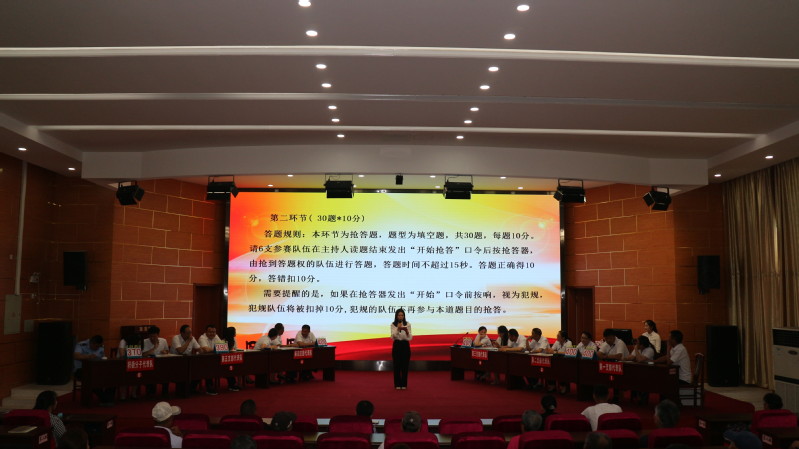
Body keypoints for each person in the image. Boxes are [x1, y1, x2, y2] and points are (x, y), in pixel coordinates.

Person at [73, 335, 115, 406]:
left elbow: (102, 358)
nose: (97, 348)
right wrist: (88, 356)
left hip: (96, 369)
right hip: (81, 370)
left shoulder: (101, 347)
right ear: (91, 343)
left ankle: (108, 399)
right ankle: (106, 400)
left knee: (112, 376)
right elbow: (76, 355)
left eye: (99, 346)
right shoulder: (81, 345)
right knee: (92, 378)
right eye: (96, 346)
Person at [171, 325, 201, 396]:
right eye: (188, 333)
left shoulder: (192, 338)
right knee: (182, 371)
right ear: (182, 333)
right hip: (175, 361)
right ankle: (181, 391)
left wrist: (202, 351)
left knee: (198, 370)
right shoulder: (176, 338)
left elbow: (199, 349)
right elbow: (180, 351)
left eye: (191, 333)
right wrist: (188, 341)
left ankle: (191, 389)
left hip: (187, 361)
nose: (190, 335)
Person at [143, 326, 171, 397]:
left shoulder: (163, 341)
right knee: (150, 375)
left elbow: (167, 351)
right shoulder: (144, 342)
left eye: (154, 336)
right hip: (149, 364)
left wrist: (165, 352)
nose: (152, 338)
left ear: (158, 335)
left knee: (166, 373)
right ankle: (150, 393)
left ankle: (165, 393)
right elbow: (143, 354)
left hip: (161, 364)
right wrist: (154, 348)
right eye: (151, 336)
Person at [197, 324, 223, 395]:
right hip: (201, 361)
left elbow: (222, 347)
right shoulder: (202, 338)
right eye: (210, 332)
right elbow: (206, 349)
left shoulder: (216, 336)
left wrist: (215, 349)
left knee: (226, 365)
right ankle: (209, 387)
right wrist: (217, 349)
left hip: (213, 360)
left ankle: (232, 384)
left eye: (214, 332)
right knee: (209, 368)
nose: (212, 334)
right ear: (206, 332)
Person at [391, 308, 412, 389]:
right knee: (397, 365)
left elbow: (410, 337)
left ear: (404, 316)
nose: (400, 317)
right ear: (396, 316)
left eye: (402, 315)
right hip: (397, 345)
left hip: (405, 345)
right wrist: (398, 329)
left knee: (405, 365)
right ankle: (397, 384)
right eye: (399, 315)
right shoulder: (393, 324)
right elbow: (393, 337)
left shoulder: (408, 324)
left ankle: (404, 384)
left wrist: (406, 331)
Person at [117, 333, 142, 400]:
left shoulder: (136, 344)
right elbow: (122, 355)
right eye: (138, 341)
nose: (139, 342)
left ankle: (133, 394)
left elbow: (138, 355)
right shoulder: (123, 341)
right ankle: (123, 396)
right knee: (124, 375)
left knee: (138, 374)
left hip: (133, 364)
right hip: (121, 364)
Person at [222, 327, 242, 391]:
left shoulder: (234, 339)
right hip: (225, 360)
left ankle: (239, 383)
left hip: (233, 358)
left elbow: (235, 348)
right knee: (230, 368)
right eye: (234, 331)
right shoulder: (223, 341)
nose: (235, 333)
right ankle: (232, 384)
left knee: (240, 366)